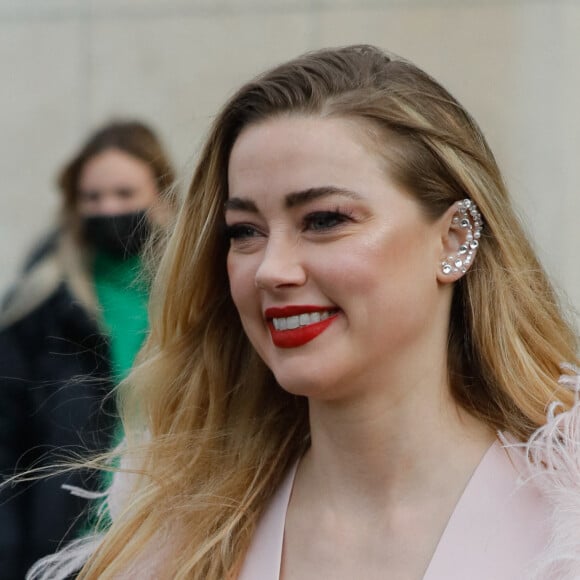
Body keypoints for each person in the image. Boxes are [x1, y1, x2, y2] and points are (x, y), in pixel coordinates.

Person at [26, 46, 580, 579]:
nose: (271, 269)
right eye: (244, 231)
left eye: (324, 219)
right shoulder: (171, 544)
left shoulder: (563, 520)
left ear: (452, 239)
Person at [0, 120, 176, 579]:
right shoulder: (37, 305)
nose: (108, 209)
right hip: (62, 555)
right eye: (93, 198)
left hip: (171, 543)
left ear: (161, 196)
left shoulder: (198, 302)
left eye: (124, 194)